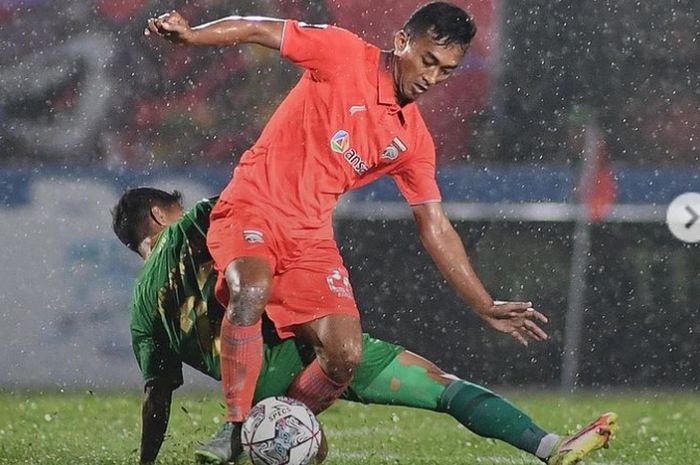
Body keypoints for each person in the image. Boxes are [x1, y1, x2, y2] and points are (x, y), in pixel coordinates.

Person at [144, 3, 551, 457]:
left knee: (344, 354)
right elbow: (258, 28)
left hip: (310, 237)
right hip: (251, 208)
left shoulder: (411, 139)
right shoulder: (341, 52)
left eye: (447, 71)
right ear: (401, 42)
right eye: (428, 61)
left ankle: (274, 430)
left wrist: (483, 303)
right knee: (251, 288)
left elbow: (434, 224)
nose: (432, 78)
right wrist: (191, 36)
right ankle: (235, 428)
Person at [112, 188, 617, 465]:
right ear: (160, 213)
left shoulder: (140, 310)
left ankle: (259, 431)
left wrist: (146, 464)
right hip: (308, 339)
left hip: (258, 395)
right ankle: (548, 447)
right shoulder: (200, 217)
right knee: (442, 389)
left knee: (309, 451)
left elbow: (157, 398)